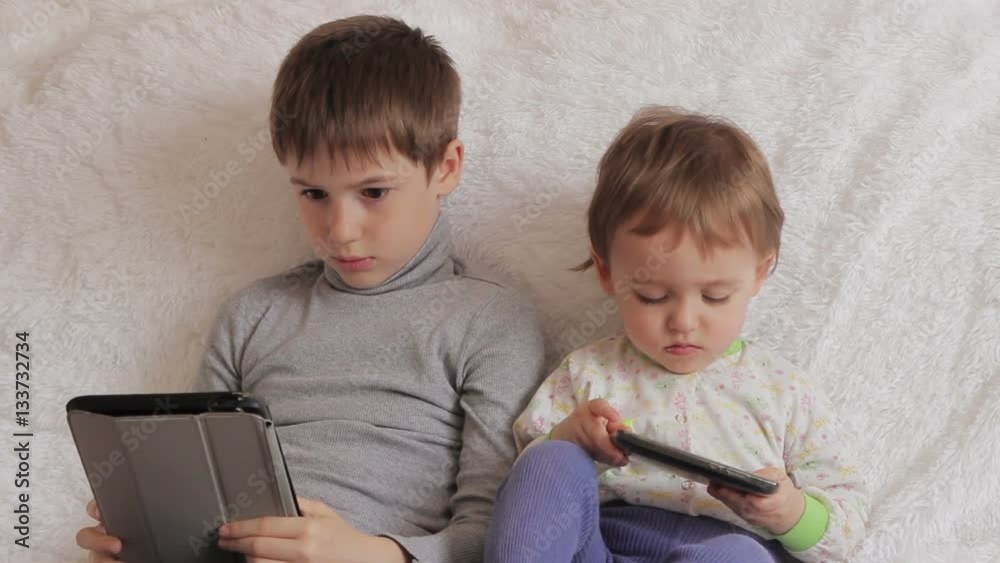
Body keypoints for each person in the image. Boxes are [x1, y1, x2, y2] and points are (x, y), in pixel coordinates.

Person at [76, 15, 546, 563]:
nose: (340, 230)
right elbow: (197, 492)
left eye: (373, 191)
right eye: (314, 194)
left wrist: (377, 555)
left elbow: (500, 534)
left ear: (446, 167)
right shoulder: (252, 315)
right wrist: (141, 541)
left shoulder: (491, 321)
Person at [485, 106, 869, 563]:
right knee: (549, 464)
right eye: (651, 296)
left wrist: (789, 513)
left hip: (728, 548)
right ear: (608, 273)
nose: (683, 321)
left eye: (715, 296)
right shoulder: (589, 373)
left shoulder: (786, 392)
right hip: (599, 547)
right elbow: (523, 490)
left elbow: (847, 528)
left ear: (761, 273)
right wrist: (569, 439)